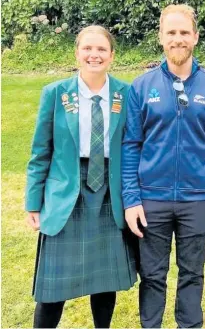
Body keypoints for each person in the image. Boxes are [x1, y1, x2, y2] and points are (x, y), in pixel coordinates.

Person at [121, 4, 205, 328]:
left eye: (184, 32)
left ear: (196, 37)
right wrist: (131, 199)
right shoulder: (142, 87)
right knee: (153, 276)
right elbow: (131, 145)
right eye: (171, 32)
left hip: (197, 199)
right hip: (151, 200)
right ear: (161, 37)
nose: (178, 39)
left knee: (192, 275)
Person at [25, 25, 137, 328]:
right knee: (52, 290)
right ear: (77, 53)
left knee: (104, 282)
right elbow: (40, 152)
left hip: (108, 195)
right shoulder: (55, 93)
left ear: (112, 55)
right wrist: (33, 202)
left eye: (101, 49)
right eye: (87, 48)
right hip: (66, 195)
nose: (94, 55)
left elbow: (133, 148)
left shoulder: (126, 94)